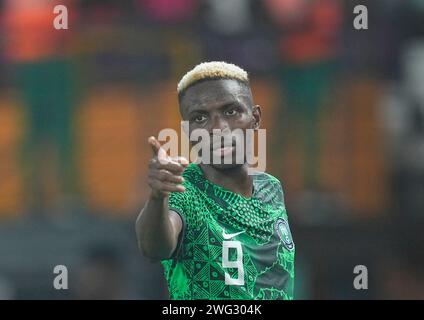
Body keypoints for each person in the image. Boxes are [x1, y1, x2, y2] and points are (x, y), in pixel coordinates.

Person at [135, 61, 295, 300]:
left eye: (231, 111)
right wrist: (158, 197)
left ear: (255, 118)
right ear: (189, 132)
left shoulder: (271, 188)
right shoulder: (184, 191)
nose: (218, 128)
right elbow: (154, 249)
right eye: (200, 118)